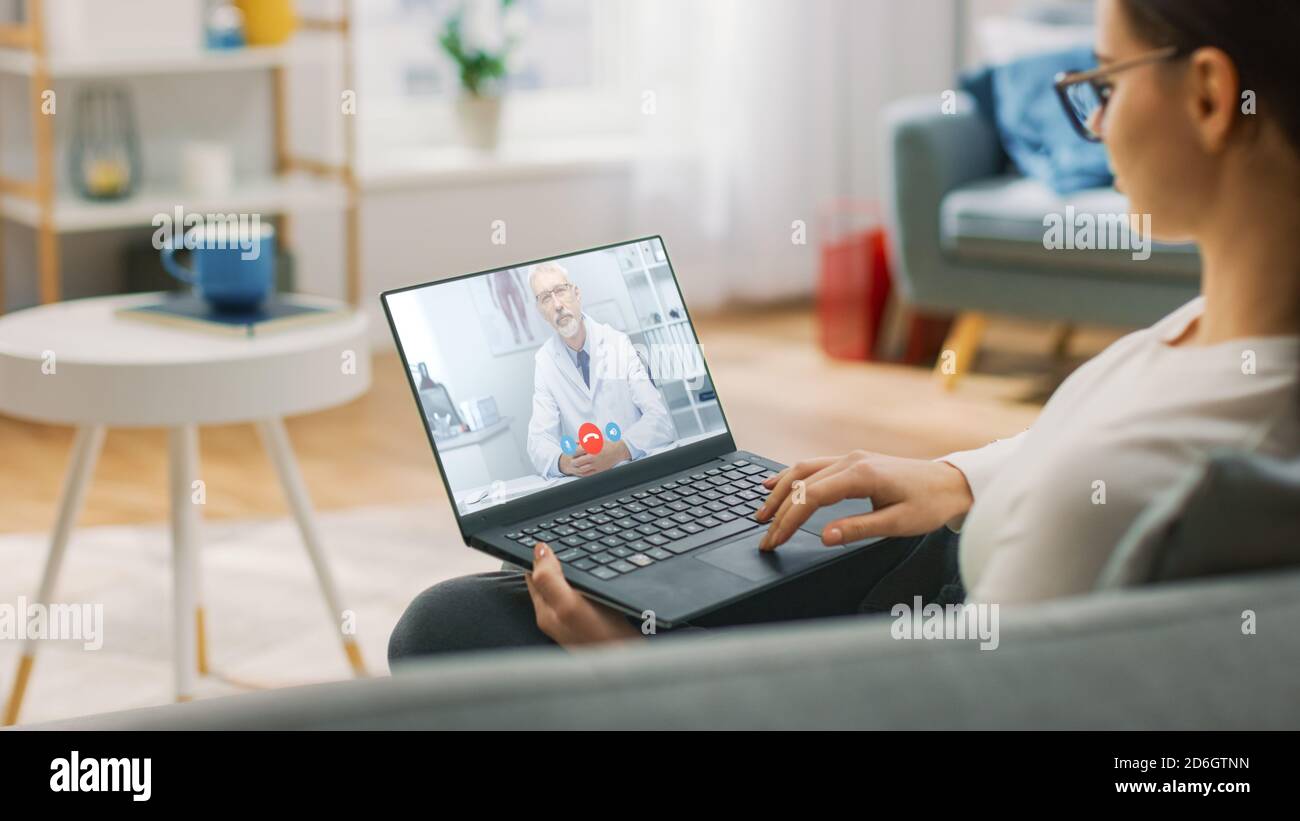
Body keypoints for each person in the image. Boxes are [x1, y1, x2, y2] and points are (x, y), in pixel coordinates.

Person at [388, 0, 1300, 660]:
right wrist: (954, 477)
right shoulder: (1220, 333)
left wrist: (634, 676)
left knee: (448, 631)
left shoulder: (1148, 484)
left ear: (1213, 97)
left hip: (917, 628)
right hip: (941, 551)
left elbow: (938, 714)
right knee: (504, 606)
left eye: (1101, 82)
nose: (1093, 121)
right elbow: (1087, 442)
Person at [524, 261, 674, 479]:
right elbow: (538, 441)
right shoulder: (545, 362)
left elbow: (660, 421)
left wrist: (619, 450)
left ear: (576, 293)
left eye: (560, 291)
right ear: (541, 312)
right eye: (546, 297)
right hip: (591, 482)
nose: (557, 304)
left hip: (638, 472)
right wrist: (563, 461)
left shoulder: (617, 342)